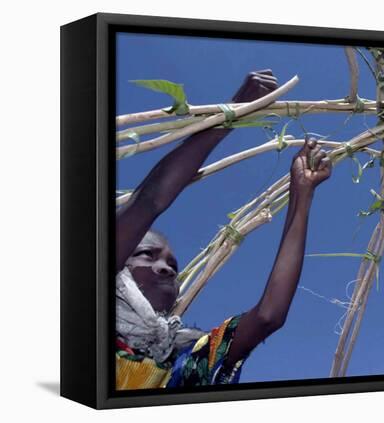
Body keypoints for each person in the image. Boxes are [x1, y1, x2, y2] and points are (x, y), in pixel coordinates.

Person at [115, 69, 333, 389]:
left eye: (173, 267)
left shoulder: (186, 357)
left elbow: (268, 316)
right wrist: (234, 112)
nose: (165, 270)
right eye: (147, 255)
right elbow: (148, 202)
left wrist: (301, 194)